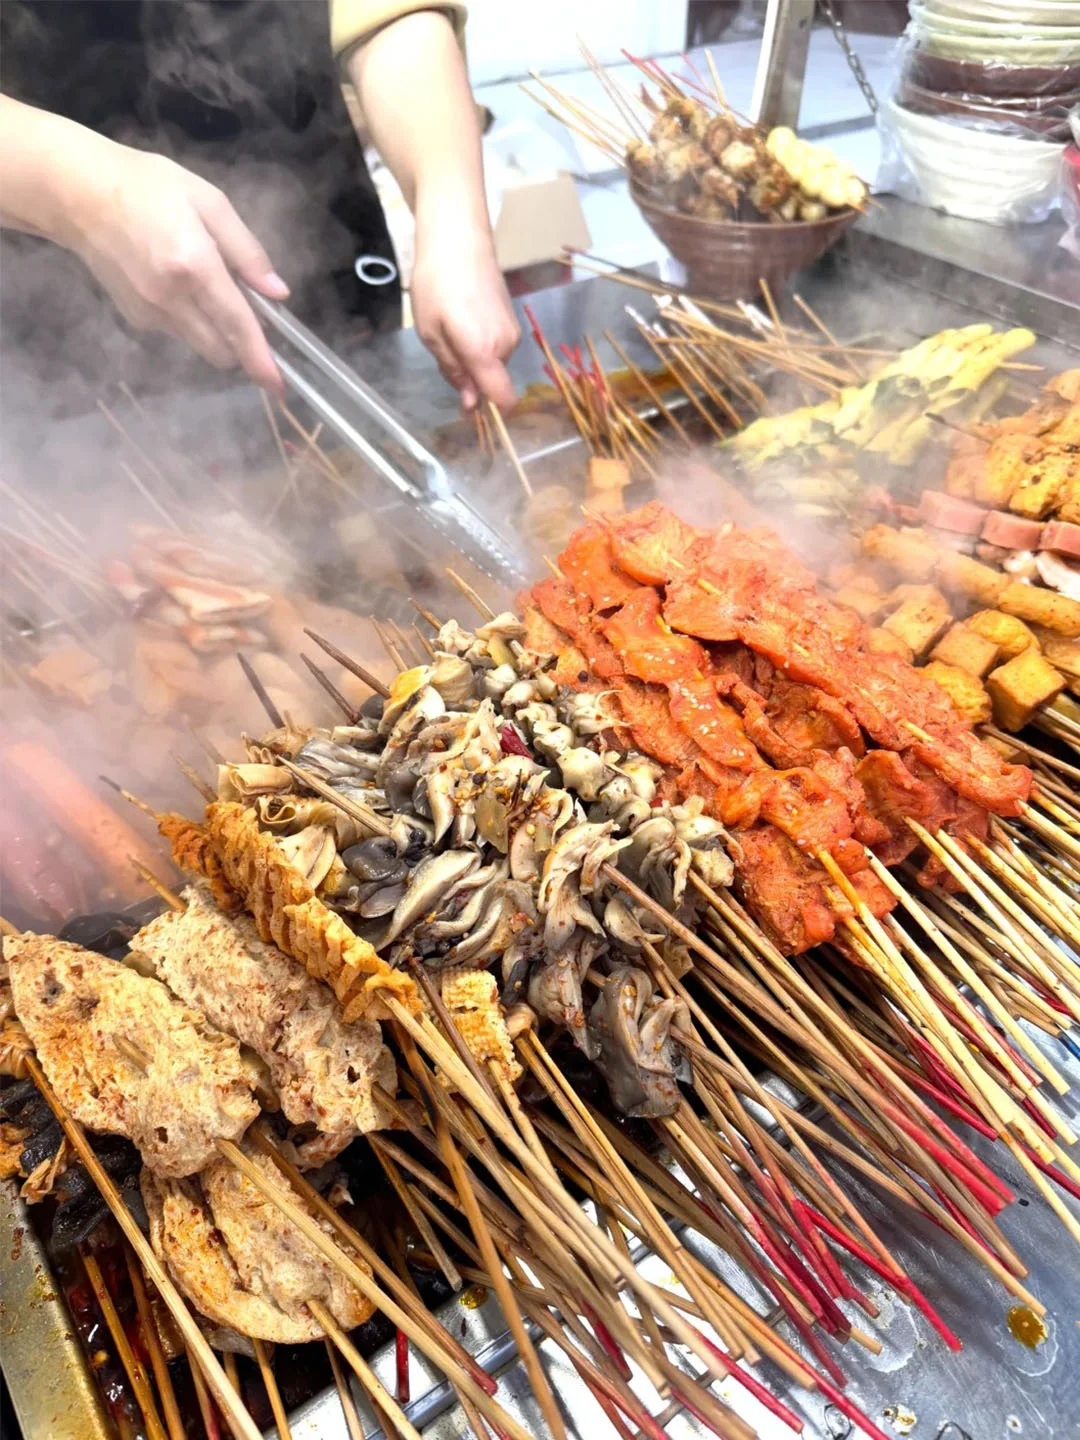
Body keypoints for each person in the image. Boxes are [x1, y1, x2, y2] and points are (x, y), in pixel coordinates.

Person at [0, 1, 518, 409]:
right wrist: (81, 192)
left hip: (332, 265)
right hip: (63, 350)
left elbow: (386, 17)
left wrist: (454, 223)